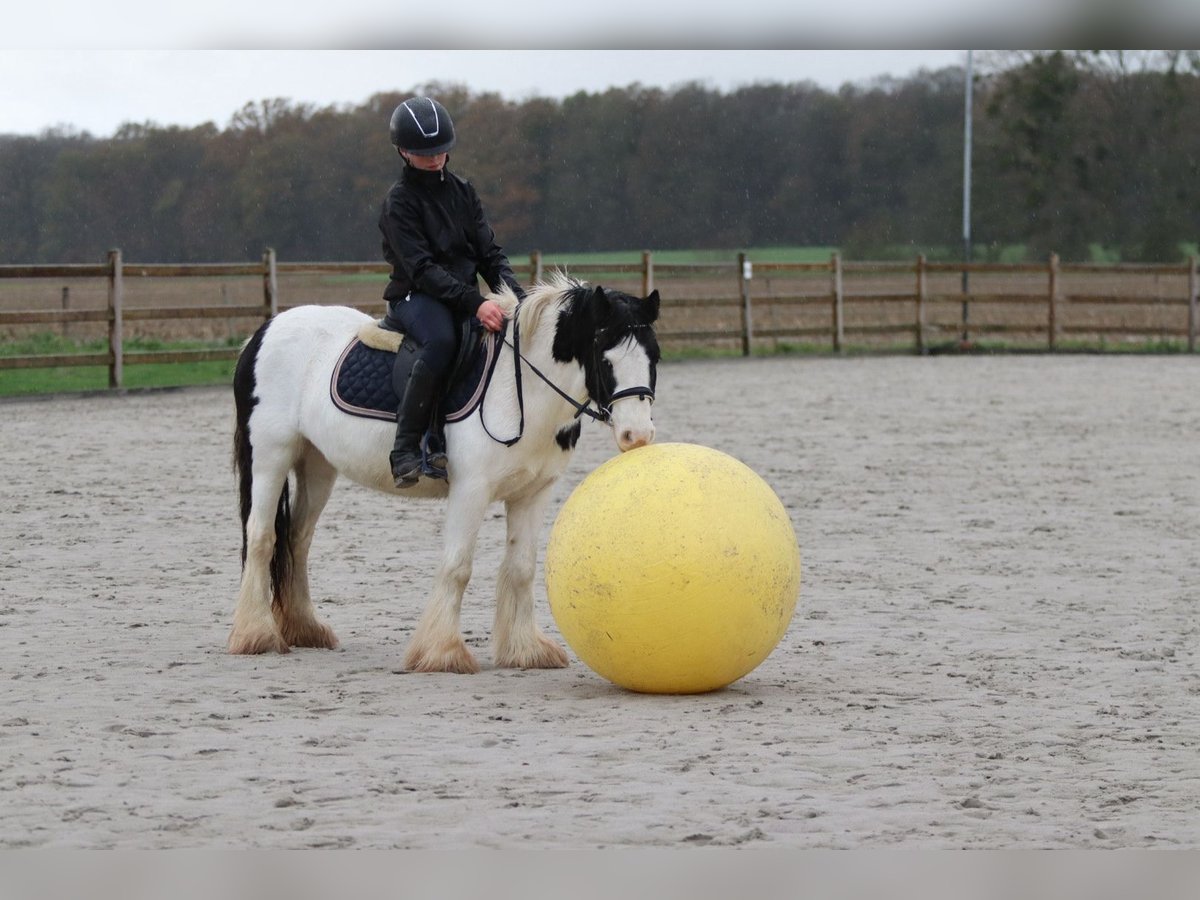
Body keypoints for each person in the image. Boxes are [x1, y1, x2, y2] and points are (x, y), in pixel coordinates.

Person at [378, 96, 523, 487]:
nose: (435, 158)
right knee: (442, 340)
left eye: (441, 150)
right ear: (403, 152)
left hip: (461, 294)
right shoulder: (399, 203)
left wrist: (517, 299)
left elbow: (489, 255)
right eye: (425, 153)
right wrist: (476, 303)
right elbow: (422, 270)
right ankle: (406, 448)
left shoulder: (463, 192)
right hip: (416, 296)